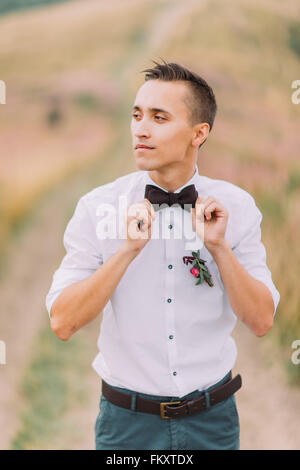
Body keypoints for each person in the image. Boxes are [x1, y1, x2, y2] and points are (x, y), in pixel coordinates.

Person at [45, 60, 280, 450]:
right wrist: (126, 251)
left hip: (212, 421)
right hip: (126, 427)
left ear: (198, 133)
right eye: (136, 115)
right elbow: (62, 322)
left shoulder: (236, 207)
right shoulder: (97, 207)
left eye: (159, 117)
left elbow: (261, 321)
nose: (141, 128)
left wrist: (219, 247)